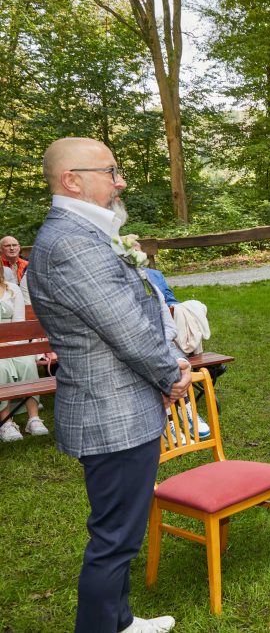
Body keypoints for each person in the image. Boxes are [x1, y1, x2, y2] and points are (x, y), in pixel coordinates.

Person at [30, 137, 192, 633]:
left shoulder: (85, 233)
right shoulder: (72, 243)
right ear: (71, 180)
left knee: (122, 532)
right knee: (115, 539)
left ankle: (119, 621)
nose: (120, 182)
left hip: (120, 403)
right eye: (111, 172)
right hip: (110, 411)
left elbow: (135, 310)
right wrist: (172, 374)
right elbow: (126, 328)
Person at [0, 273, 48, 441]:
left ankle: (33, 418)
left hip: (13, 342)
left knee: (27, 362)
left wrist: (10, 345)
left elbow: (19, 323)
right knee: (1, 367)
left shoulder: (13, 289)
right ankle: (6, 422)